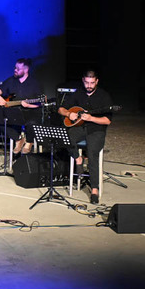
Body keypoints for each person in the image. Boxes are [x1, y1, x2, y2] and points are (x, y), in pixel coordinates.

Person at [58, 70, 113, 204]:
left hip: (97, 129)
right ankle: (78, 158)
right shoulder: (78, 93)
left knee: (93, 153)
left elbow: (107, 120)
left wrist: (91, 118)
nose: (89, 86)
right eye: (87, 82)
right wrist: (68, 114)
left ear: (97, 81)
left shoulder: (104, 96)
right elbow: (61, 109)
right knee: (65, 137)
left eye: (92, 83)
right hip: (80, 127)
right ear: (83, 80)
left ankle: (94, 189)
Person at [0, 58, 44, 154]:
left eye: (18, 69)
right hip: (15, 112)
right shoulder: (11, 80)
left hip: (30, 112)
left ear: (26, 70)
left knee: (32, 123)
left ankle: (29, 142)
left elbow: (41, 103)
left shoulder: (35, 83)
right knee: (0, 122)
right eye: (15, 68)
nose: (15, 70)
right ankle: (18, 140)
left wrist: (28, 105)